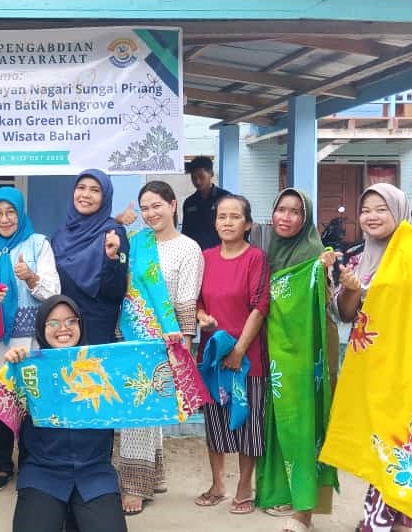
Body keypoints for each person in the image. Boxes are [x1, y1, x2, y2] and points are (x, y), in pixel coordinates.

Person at [319, 183, 412, 532]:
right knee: (378, 439)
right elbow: (347, 315)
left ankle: (394, 519)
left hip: (407, 362)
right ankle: (384, 516)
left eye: (381, 209)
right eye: (366, 210)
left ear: (399, 211)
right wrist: (350, 289)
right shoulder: (359, 257)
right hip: (369, 362)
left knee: (400, 439)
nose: (371, 217)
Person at [4, 295, 128, 532]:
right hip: (43, 472)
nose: (64, 328)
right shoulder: (28, 371)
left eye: (71, 321)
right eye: (53, 322)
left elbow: (142, 387)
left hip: (95, 472)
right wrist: (9, 371)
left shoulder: (103, 369)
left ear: (81, 324)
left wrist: (166, 348)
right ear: (41, 327)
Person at [0, 187, 61, 491]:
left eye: (10, 212)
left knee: (31, 402)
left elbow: (54, 293)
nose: (4, 219)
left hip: (31, 340)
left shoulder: (38, 244)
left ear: (20, 213)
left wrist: (31, 277)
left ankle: (31, 463)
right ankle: (3, 462)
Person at [117, 181, 201, 515]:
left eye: (157, 206)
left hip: (167, 339)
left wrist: (185, 348)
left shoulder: (187, 248)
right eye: (145, 207)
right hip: (131, 335)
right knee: (138, 408)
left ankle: (135, 487)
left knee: (147, 407)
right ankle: (148, 477)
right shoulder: (136, 243)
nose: (151, 213)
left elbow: (185, 302)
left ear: (173, 205)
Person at [258, 188, 340, 531]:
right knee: (280, 420)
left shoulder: (316, 254)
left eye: (295, 212)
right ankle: (284, 491)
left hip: (309, 352)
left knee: (305, 422)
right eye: (281, 209)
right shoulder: (269, 252)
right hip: (277, 349)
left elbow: (327, 306)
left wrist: (323, 272)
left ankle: (304, 507)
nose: (286, 217)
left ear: (305, 219)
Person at [194, 194, 270, 516]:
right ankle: (217, 484)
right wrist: (201, 318)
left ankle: (244, 486)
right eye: (222, 216)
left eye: (234, 216)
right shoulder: (205, 257)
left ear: (247, 223)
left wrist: (239, 350)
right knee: (215, 422)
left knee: (248, 423)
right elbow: (195, 301)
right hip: (213, 356)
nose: (227, 222)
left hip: (247, 356)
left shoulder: (256, 258)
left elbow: (260, 306)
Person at [51, 169, 129, 346]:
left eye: (95, 190)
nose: (85, 195)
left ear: (105, 197)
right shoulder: (61, 235)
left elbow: (116, 292)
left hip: (96, 333)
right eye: (81, 187)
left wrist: (111, 258)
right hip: (63, 331)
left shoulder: (113, 233)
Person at [181, 156, 231, 252]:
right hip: (196, 255)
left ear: (211, 174)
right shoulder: (189, 202)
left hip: (222, 254)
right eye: (194, 178)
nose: (197, 181)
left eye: (201, 176)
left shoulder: (225, 198)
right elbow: (185, 233)